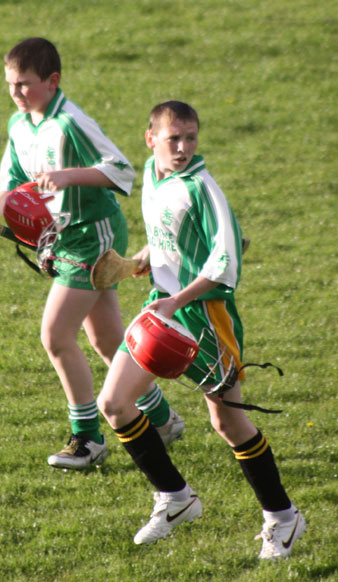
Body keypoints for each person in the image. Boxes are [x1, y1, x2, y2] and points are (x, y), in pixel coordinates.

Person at [97, 101, 306, 558]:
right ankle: (175, 499)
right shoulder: (155, 175)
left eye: (191, 137)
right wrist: (145, 259)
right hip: (162, 310)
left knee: (227, 421)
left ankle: (283, 518)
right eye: (174, 138)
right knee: (113, 403)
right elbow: (167, 233)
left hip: (207, 318)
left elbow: (226, 263)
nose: (184, 147)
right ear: (150, 138)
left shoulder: (204, 189)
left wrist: (177, 297)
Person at [0, 38, 184, 470]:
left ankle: (88, 439)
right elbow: (13, 180)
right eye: (11, 85)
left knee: (55, 336)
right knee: (106, 339)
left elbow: (121, 169)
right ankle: (162, 419)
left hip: (93, 236)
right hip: (63, 239)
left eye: (25, 85)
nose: (16, 94)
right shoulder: (19, 124)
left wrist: (68, 177)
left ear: (53, 81)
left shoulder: (70, 122)